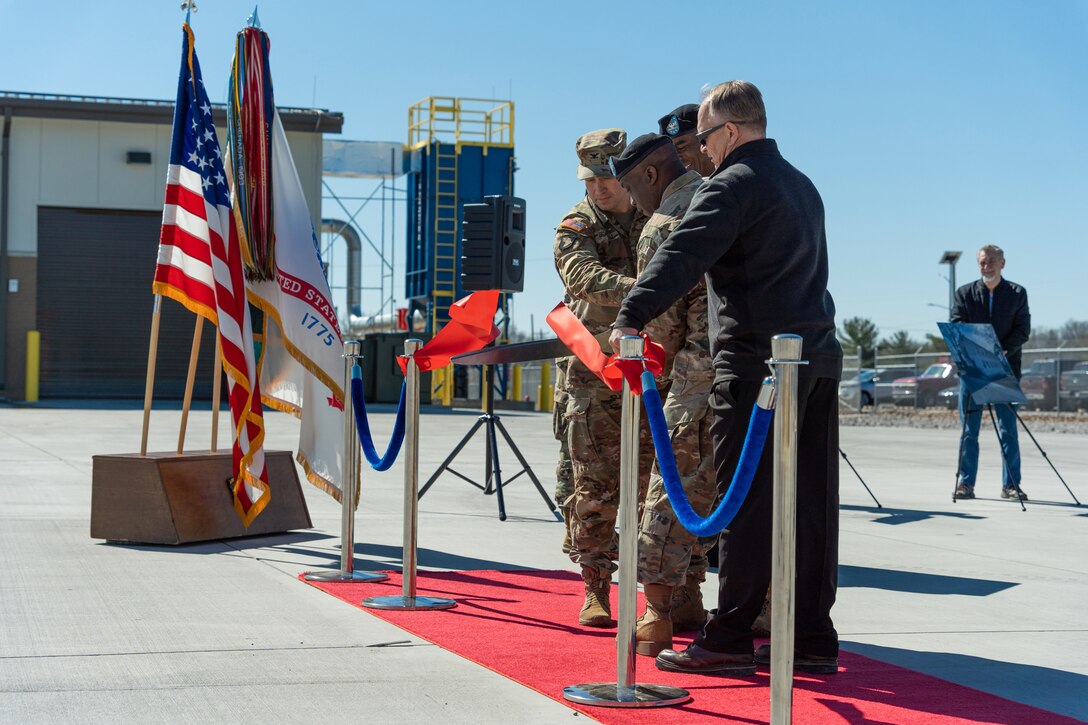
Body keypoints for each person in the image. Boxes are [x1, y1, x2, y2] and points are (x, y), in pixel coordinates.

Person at [610, 80, 843, 676]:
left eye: (706, 139)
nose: (702, 151)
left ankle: (730, 635)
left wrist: (632, 315)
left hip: (755, 369)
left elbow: (683, 252)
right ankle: (812, 633)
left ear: (731, 132)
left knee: (745, 503)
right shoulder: (801, 184)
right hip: (813, 358)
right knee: (811, 502)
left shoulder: (732, 185)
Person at [609, 134, 716, 656]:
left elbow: (665, 328)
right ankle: (693, 597)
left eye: (630, 185)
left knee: (668, 491)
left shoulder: (665, 224)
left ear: (651, 175)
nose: (631, 200)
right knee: (722, 494)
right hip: (754, 377)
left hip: (695, 380)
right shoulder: (722, 195)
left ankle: (655, 614)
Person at [553, 128, 649, 627]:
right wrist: (654, 287)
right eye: (590, 179)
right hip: (593, 374)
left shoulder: (652, 216)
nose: (599, 188)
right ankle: (595, 588)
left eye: (607, 176)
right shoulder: (576, 225)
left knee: (660, 483)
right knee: (593, 486)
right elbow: (583, 278)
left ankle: (673, 592)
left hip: (652, 370)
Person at [952, 245, 1031, 501]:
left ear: (1003, 263)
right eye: (983, 263)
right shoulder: (964, 293)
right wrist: (979, 351)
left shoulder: (1017, 293)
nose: (987, 267)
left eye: (992, 262)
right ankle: (965, 484)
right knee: (969, 430)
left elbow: (1023, 329)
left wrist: (1001, 351)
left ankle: (1011, 485)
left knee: (1008, 429)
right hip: (972, 370)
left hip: (1004, 369)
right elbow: (957, 324)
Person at [659, 104, 716, 177]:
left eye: (681, 147)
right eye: (671, 153)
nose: (677, 158)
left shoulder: (732, 181)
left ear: (706, 142)